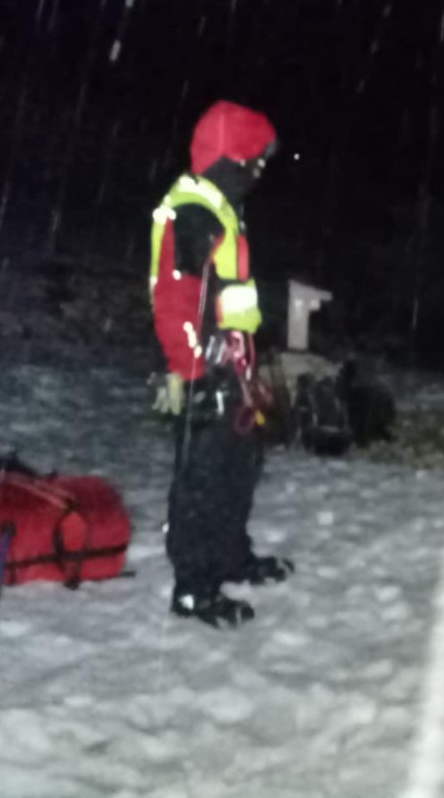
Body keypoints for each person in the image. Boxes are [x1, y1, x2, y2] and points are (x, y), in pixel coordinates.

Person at [149, 99, 292, 627]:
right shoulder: (192, 211)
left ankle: (231, 555)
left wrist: (250, 359)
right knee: (200, 479)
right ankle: (193, 586)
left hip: (233, 369)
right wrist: (193, 371)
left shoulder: (222, 207)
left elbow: (229, 296)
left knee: (239, 466)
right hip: (201, 373)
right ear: (233, 158)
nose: (259, 173)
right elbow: (173, 300)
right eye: (255, 162)